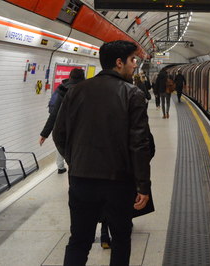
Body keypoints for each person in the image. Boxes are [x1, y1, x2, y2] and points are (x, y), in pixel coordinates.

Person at [53, 40, 152, 266]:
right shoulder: (132, 94)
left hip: (81, 181)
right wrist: (143, 186)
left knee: (79, 240)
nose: (135, 65)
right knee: (120, 240)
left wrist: (75, 162)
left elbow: (59, 134)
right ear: (119, 63)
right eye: (132, 60)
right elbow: (139, 144)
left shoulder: (74, 91)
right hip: (119, 182)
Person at [39, 68, 85, 174]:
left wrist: (44, 134)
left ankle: (62, 167)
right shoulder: (87, 90)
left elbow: (54, 114)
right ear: (83, 78)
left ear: (70, 77)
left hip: (63, 128)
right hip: (80, 130)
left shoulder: (62, 90)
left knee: (62, 142)